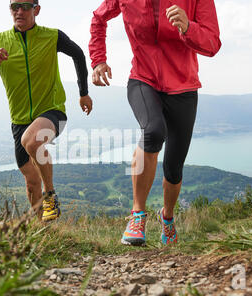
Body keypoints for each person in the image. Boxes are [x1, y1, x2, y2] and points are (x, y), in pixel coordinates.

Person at [89, 0, 221, 246]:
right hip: (143, 79)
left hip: (184, 87)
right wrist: (98, 59)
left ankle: (167, 218)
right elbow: (98, 18)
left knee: (174, 168)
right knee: (152, 132)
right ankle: (137, 216)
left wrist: (188, 27)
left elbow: (213, 43)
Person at [0, 0, 93, 222]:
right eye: (14, 6)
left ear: (37, 10)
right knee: (31, 181)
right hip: (19, 120)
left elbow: (78, 54)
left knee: (32, 141)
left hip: (53, 111)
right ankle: (42, 230)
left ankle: (51, 194)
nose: (19, 11)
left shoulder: (52, 36)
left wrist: (83, 92)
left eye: (25, 6)